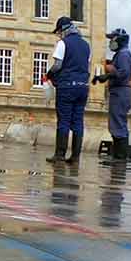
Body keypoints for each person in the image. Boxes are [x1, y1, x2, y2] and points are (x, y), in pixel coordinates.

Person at [44, 16, 92, 164]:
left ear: (63, 30)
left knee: (63, 120)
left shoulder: (63, 43)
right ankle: (76, 156)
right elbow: (87, 66)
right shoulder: (86, 45)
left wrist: (49, 74)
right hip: (83, 87)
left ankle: (59, 155)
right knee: (78, 121)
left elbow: (58, 65)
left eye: (58, 32)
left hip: (67, 86)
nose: (59, 35)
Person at [94, 27, 131, 161]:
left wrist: (110, 72)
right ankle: (118, 155)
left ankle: (120, 157)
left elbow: (123, 73)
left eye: (112, 38)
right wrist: (106, 76)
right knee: (116, 123)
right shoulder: (121, 54)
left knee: (118, 124)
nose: (110, 41)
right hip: (119, 91)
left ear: (119, 40)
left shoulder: (124, 54)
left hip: (120, 91)